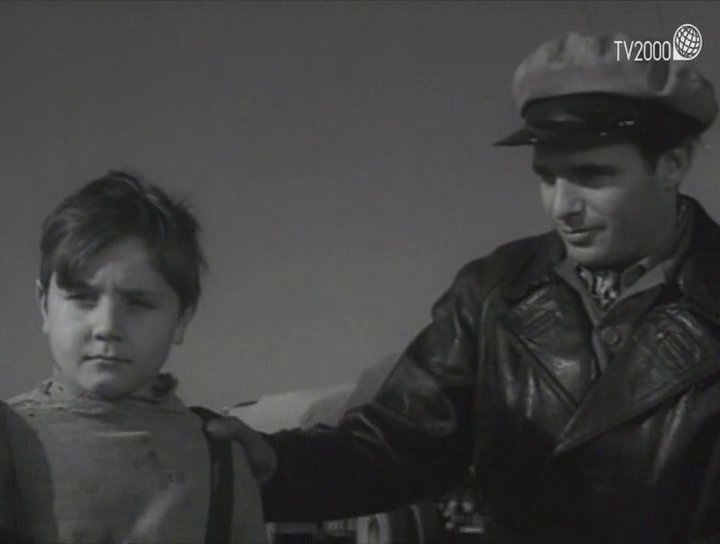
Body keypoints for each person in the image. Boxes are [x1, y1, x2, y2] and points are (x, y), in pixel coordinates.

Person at [207, 31, 720, 543]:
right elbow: (396, 444)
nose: (562, 206)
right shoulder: (495, 291)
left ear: (672, 165)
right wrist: (274, 462)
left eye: (592, 175)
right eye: (548, 177)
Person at [6, 172, 267, 544]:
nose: (107, 326)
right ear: (44, 306)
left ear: (181, 319)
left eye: (139, 303)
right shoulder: (11, 440)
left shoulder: (219, 459)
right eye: (82, 298)